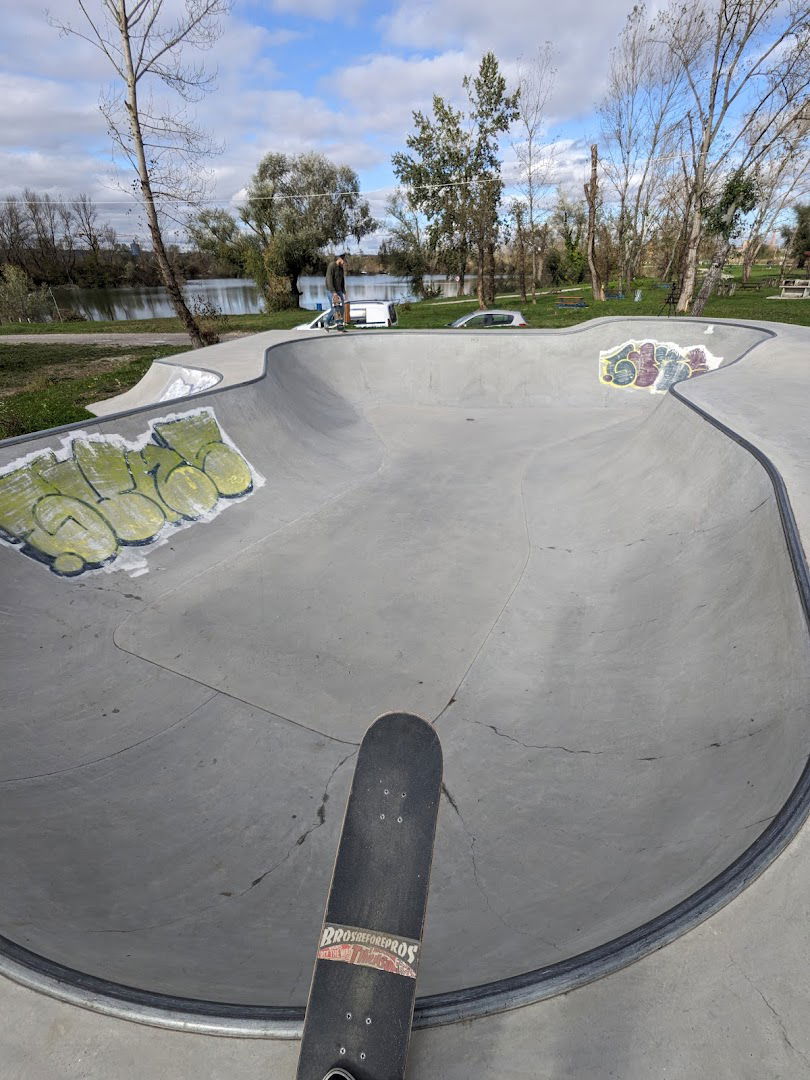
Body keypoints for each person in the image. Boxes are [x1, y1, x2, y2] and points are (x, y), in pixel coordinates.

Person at [324, 252, 347, 330]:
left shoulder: (341, 268)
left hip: (339, 290)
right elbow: (329, 280)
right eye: (344, 261)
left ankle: (339, 324)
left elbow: (342, 280)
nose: (344, 263)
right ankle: (327, 322)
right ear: (340, 259)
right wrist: (333, 292)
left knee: (342, 308)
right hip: (331, 291)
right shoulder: (331, 266)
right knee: (335, 308)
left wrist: (344, 291)